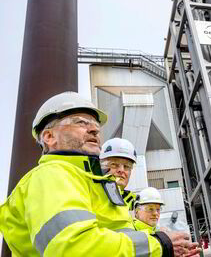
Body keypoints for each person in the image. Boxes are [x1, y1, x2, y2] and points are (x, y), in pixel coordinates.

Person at [0, 91, 199, 257]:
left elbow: (117, 240)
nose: (94, 129)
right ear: (50, 137)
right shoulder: (52, 175)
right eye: (81, 122)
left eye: (95, 125)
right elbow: (73, 248)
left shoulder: (92, 183)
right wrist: (158, 245)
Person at [100, 137, 138, 210]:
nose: (121, 170)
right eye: (114, 164)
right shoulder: (90, 195)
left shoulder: (136, 205)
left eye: (126, 166)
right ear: (101, 167)